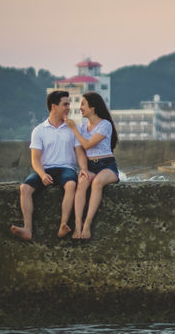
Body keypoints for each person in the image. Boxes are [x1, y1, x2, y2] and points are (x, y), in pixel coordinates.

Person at [10, 90, 86, 241]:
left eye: (69, 104)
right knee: (24, 188)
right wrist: (42, 174)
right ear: (54, 106)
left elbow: (79, 153)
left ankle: (63, 225)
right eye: (65, 104)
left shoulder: (72, 128)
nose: (68, 108)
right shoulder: (39, 130)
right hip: (47, 169)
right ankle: (27, 229)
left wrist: (83, 169)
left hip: (67, 168)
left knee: (71, 184)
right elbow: (35, 159)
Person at [70, 91, 120, 241]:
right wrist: (84, 169)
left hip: (107, 166)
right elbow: (80, 150)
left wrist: (73, 129)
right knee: (82, 182)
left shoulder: (105, 125)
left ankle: (87, 224)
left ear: (93, 107)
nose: (80, 108)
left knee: (97, 183)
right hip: (90, 165)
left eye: (83, 104)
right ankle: (77, 224)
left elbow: (87, 144)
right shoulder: (83, 127)